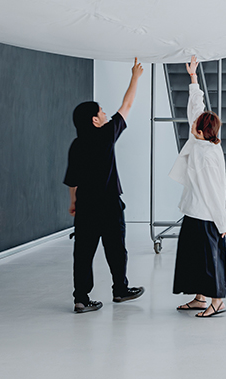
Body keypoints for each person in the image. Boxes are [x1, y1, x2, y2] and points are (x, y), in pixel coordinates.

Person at [64, 58, 145, 313]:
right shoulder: (107, 134)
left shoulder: (77, 145)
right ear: (94, 120)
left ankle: (81, 298)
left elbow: (72, 180)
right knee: (116, 250)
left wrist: (74, 203)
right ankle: (120, 290)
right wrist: (135, 76)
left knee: (83, 254)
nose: (105, 113)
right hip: (109, 204)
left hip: (87, 206)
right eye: (100, 111)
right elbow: (128, 104)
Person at [170, 55, 226, 317]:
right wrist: (193, 78)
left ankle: (218, 302)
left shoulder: (206, 155)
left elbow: (214, 192)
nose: (192, 123)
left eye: (196, 125)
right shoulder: (202, 141)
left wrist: (223, 223)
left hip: (206, 215)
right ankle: (200, 297)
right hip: (194, 211)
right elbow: (196, 109)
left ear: (203, 132)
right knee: (194, 259)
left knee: (209, 261)